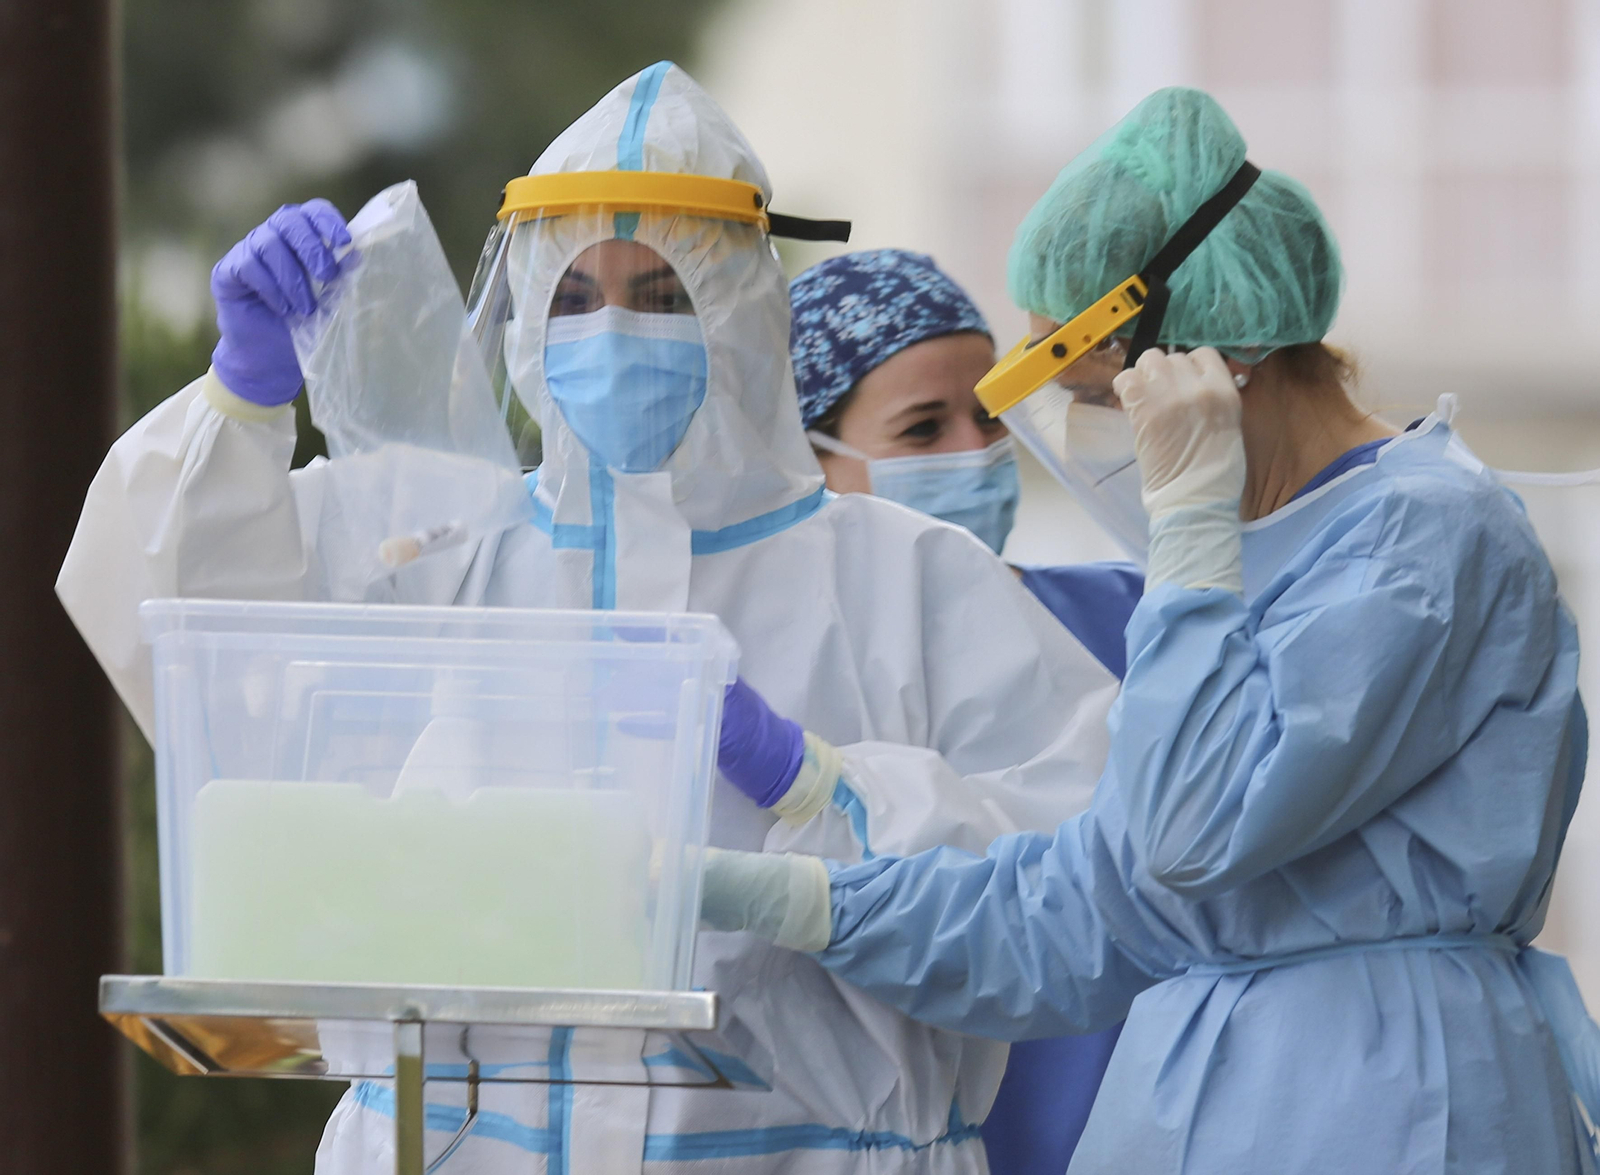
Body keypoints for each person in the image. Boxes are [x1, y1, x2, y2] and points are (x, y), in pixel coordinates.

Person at [57, 62, 1122, 1174]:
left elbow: (1071, 900)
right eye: (572, 296)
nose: (612, 332)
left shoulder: (909, 581)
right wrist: (241, 397)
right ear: (522, 311)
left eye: (663, 293)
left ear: (743, 309)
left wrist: (823, 786)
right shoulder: (433, 549)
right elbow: (184, 640)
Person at [703, 87, 1600, 1174]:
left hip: (1390, 1103)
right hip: (1199, 1104)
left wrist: (1184, 530)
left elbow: (1191, 826)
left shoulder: (1423, 541)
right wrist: (787, 894)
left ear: (1212, 371)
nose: (1085, 440)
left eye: (1094, 393)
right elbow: (1085, 909)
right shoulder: (1255, 562)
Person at [789, 247, 1135, 1171]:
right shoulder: (795, 683)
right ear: (809, 461)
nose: (974, 454)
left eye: (988, 416)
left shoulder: (1127, 619)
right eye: (921, 428)